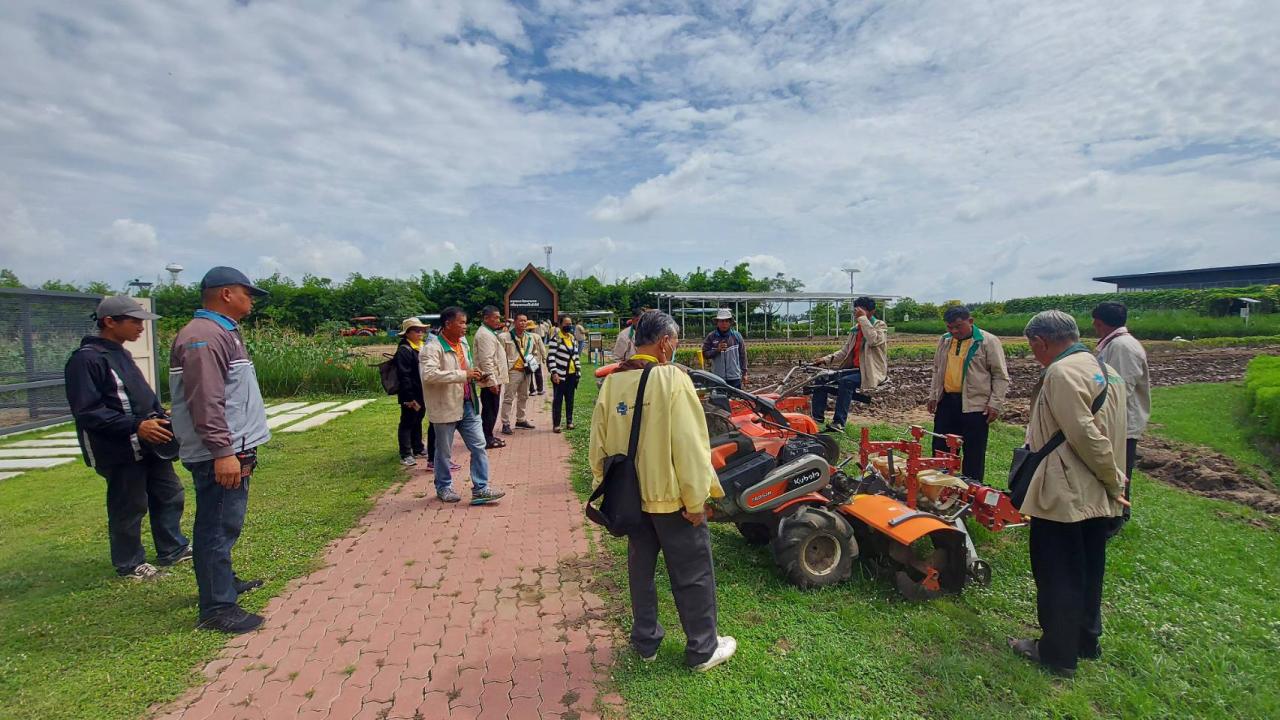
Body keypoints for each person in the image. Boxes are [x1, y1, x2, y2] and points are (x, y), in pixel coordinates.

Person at [589, 310, 737, 672]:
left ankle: (645, 643)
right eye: (677, 341)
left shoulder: (612, 382)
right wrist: (696, 499)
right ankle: (703, 649)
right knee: (692, 572)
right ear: (666, 342)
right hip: (671, 499)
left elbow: (598, 446)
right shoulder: (672, 379)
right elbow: (690, 446)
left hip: (630, 499)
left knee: (640, 572)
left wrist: (603, 487)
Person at [1008, 310, 1129, 677]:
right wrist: (1114, 483)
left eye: (1033, 348)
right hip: (1095, 494)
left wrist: (1113, 479)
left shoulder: (1060, 373)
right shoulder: (1107, 372)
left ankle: (1057, 653)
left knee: (1058, 571)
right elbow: (1116, 434)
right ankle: (1085, 639)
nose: (1034, 354)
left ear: (1040, 342)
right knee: (1090, 568)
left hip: (1063, 492)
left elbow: (1084, 435)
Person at [169, 267, 272, 633]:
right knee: (216, 525)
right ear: (226, 293)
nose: (251, 300)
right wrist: (222, 451)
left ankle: (224, 583)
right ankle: (216, 607)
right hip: (222, 450)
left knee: (224, 522)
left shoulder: (220, 331)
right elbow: (206, 400)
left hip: (235, 445)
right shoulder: (204, 336)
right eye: (247, 293)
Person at [64, 295, 190, 580]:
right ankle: (130, 563)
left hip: (149, 443)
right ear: (110, 322)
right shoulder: (86, 360)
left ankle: (173, 548)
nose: (141, 328)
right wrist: (135, 426)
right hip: (118, 448)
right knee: (128, 504)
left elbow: (136, 394)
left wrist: (159, 413)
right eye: (134, 321)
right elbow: (87, 410)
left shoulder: (120, 353)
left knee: (169, 494)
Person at [420, 306, 507, 505]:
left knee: (478, 445)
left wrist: (474, 373)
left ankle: (481, 488)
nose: (465, 327)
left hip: (468, 403)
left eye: (465, 322)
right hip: (446, 405)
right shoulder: (432, 348)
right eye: (461, 322)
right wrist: (463, 375)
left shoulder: (462, 344)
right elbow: (429, 375)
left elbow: (465, 368)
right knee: (444, 451)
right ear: (447, 324)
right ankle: (443, 486)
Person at [925, 306, 1010, 482]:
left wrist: (995, 403)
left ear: (970, 321)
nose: (954, 331)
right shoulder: (945, 340)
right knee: (941, 446)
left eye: (958, 326)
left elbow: (1000, 376)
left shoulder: (988, 341)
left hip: (975, 405)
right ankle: (940, 487)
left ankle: (972, 491)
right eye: (950, 327)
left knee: (973, 451)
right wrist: (934, 395)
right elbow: (936, 369)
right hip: (947, 401)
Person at [1092, 301, 1150, 535]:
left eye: (1095, 322)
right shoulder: (1114, 344)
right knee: (1113, 468)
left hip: (1121, 422)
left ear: (1100, 322)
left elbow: (1118, 387)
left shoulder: (1123, 347)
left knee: (1119, 471)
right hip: (1114, 420)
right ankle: (1108, 514)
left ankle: (1115, 519)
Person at [812, 296, 889, 432]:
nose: (856, 313)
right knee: (820, 378)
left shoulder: (879, 326)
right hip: (853, 369)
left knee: (846, 382)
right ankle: (817, 419)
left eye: (861, 310)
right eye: (856, 310)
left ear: (871, 312)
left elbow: (873, 340)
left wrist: (863, 319)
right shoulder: (855, 330)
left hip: (869, 371)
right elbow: (844, 351)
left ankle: (839, 423)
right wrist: (825, 359)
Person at [394, 317, 430, 466]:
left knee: (418, 419)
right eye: (416, 330)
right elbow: (404, 375)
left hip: (422, 391)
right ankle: (406, 453)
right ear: (407, 333)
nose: (420, 333)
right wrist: (409, 397)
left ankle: (418, 447)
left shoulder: (421, 346)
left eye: (422, 330)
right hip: (409, 393)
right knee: (407, 422)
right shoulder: (404, 350)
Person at [473, 306, 511, 449]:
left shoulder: (489, 333)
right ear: (486, 318)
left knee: (492, 409)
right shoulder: (484, 335)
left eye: (499, 317)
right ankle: (487, 438)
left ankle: (488, 435)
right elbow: (486, 360)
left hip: (495, 379)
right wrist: (492, 382)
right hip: (491, 380)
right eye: (494, 317)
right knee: (490, 410)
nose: (498, 320)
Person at [500, 313, 537, 434]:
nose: (523, 323)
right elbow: (500, 356)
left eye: (525, 321)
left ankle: (520, 420)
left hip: (526, 371)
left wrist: (533, 361)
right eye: (520, 321)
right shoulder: (504, 337)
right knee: (509, 397)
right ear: (514, 322)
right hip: (513, 371)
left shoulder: (530, 337)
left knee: (524, 396)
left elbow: (534, 352)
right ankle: (505, 422)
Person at [547, 313, 583, 433]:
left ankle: (569, 421)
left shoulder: (572, 338)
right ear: (560, 324)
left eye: (570, 324)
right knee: (558, 400)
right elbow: (551, 356)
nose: (569, 326)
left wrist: (578, 370)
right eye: (567, 324)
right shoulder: (556, 339)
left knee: (570, 399)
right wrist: (554, 372)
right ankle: (556, 424)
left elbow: (576, 355)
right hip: (560, 374)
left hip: (572, 374)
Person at [701, 308, 748, 389]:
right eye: (721, 321)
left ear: (730, 323)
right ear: (717, 323)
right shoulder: (711, 337)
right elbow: (705, 354)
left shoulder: (737, 336)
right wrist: (717, 350)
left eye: (726, 321)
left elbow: (742, 355)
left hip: (734, 378)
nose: (724, 324)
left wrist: (744, 373)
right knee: (719, 400)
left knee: (735, 400)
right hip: (717, 377)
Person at [528, 320, 548, 396]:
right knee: (538, 374)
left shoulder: (523, 335)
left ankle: (532, 390)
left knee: (529, 374)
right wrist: (544, 357)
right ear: (533, 328)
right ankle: (540, 389)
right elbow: (542, 348)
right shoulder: (537, 336)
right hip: (536, 358)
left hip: (527, 358)